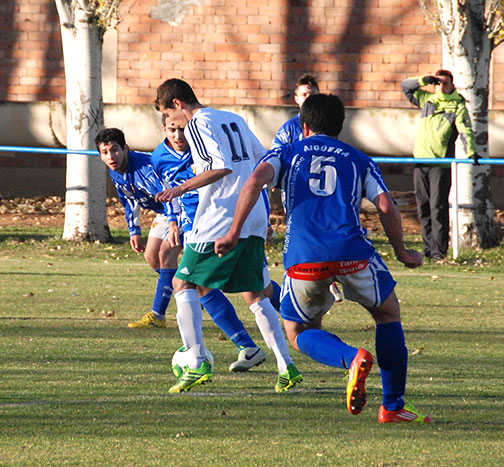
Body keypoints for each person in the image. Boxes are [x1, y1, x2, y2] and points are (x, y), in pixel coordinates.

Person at [216, 94, 433, 423]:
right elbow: (386, 205)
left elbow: (255, 181)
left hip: (304, 258)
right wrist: (402, 252)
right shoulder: (359, 159)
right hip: (353, 254)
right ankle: (392, 406)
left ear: (304, 126)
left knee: (298, 332)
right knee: (387, 313)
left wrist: (233, 233)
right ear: (340, 126)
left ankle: (351, 358)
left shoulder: (287, 152)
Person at [153, 78, 301, 393]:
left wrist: (179, 188)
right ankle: (286, 366)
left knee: (182, 282)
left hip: (220, 216)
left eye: (168, 114)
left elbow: (219, 168)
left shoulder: (197, 123)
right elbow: (263, 160)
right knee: (257, 292)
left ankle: (196, 361)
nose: (172, 124)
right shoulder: (233, 118)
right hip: (252, 214)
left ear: (178, 104)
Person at [151, 115, 273, 372]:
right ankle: (248, 347)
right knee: (200, 284)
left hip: (223, 222)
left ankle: (296, 318)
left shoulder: (207, 146)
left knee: (256, 289)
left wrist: (265, 217)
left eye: (182, 129)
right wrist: (173, 221)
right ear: (164, 129)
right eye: (172, 129)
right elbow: (168, 190)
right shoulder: (160, 157)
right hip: (195, 227)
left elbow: (251, 179)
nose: (178, 135)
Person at [96, 127, 181, 330]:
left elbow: (169, 192)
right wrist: (134, 231)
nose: (111, 157)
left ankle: (158, 315)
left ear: (125, 149)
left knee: (165, 253)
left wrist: (173, 222)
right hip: (164, 211)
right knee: (151, 256)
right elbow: (129, 200)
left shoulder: (146, 167)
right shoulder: (116, 171)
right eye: (105, 152)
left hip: (181, 207)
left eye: (115, 150)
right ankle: (190, 291)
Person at [272, 73, 344, 303]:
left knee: (323, 229)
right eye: (304, 95)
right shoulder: (289, 128)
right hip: (297, 189)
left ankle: (326, 276)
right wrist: (273, 177)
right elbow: (276, 153)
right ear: (296, 99)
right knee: (300, 231)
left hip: (324, 189)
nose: (308, 98)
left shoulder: (326, 124)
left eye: (312, 94)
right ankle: (301, 278)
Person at [401, 69, 477, 262]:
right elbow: (405, 87)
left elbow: (465, 130)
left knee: (438, 207)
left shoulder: (457, 105)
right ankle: (428, 248)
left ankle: (438, 251)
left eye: (445, 83)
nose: (441, 86)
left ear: (452, 85)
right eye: (437, 83)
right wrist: (423, 80)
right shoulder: (427, 99)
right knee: (423, 206)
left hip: (440, 164)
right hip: (420, 161)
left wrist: (471, 152)